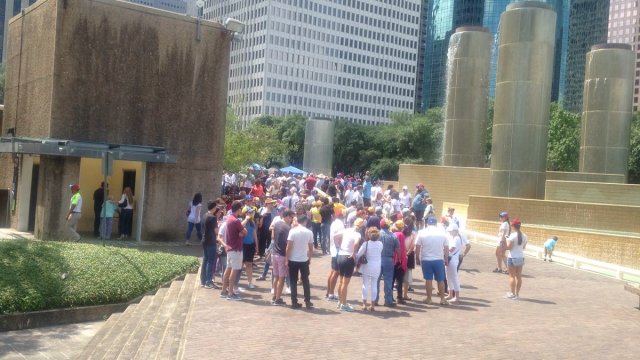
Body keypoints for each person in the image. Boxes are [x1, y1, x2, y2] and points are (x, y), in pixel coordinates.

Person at [415, 217, 449, 305]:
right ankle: (442, 299)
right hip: (439, 259)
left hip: (426, 259)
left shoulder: (422, 232)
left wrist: (417, 258)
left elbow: (417, 246)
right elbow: (446, 247)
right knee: (440, 279)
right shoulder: (442, 233)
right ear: (435, 224)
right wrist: (446, 259)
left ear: (427, 224)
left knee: (428, 279)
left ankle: (429, 298)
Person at [221, 201, 247, 301]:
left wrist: (241, 233)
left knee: (228, 269)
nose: (242, 210)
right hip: (235, 249)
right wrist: (241, 233)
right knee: (234, 271)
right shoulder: (235, 220)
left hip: (230, 248)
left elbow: (242, 232)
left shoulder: (229, 218)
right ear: (238, 209)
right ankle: (231, 293)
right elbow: (244, 232)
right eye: (241, 209)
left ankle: (224, 291)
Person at [335, 217, 363, 312]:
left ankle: (340, 301)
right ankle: (344, 303)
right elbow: (356, 243)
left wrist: (338, 245)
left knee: (341, 281)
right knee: (345, 283)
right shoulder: (357, 234)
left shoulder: (346, 230)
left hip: (341, 256)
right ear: (361, 226)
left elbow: (335, 236)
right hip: (348, 258)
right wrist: (354, 253)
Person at [286, 215, 314, 309]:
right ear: (305, 221)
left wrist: (286, 259)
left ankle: (294, 302)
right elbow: (310, 248)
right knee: (305, 280)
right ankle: (307, 301)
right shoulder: (309, 232)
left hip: (293, 259)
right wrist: (309, 258)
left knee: (293, 281)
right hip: (303, 259)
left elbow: (288, 247)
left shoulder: (292, 231)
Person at [271, 210, 294, 305]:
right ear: (287, 217)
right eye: (291, 217)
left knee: (276, 277)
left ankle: (274, 296)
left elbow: (272, 236)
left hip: (274, 253)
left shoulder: (276, 224)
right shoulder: (287, 228)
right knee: (281, 278)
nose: (292, 219)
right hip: (281, 254)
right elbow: (288, 244)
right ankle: (277, 298)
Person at [357, 227, 383, 311]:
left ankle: (364, 304)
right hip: (377, 266)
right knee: (374, 285)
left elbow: (358, 254)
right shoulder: (380, 244)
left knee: (365, 284)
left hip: (367, 266)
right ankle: (372, 305)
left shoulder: (366, 244)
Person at [376, 219, 400, 307]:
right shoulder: (393, 236)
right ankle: (388, 301)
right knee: (388, 281)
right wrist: (399, 259)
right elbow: (398, 249)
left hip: (378, 259)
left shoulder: (377, 234)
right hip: (389, 260)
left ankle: (375, 300)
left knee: (376, 281)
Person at [325, 207, 344, 301]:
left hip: (333, 248)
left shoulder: (334, 222)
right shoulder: (340, 224)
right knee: (336, 272)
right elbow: (338, 235)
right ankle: (331, 294)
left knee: (333, 271)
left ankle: (329, 292)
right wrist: (341, 245)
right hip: (337, 249)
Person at [506, 219, 528, 300]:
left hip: (512, 257)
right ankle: (517, 294)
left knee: (511, 276)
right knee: (519, 276)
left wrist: (506, 241)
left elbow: (509, 247)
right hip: (521, 257)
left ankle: (512, 293)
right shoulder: (525, 236)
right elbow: (524, 247)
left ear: (513, 226)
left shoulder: (512, 235)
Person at [201, 201, 220, 289]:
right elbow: (216, 231)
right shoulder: (213, 218)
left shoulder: (204, 215)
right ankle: (208, 282)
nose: (216, 208)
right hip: (211, 241)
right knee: (210, 261)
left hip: (204, 240)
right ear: (213, 207)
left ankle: (203, 281)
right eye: (216, 207)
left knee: (205, 260)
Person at [241, 206, 258, 289]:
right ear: (245, 213)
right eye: (249, 213)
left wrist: (257, 246)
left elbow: (255, 235)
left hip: (250, 245)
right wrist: (246, 219)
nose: (251, 214)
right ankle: (236, 283)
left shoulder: (252, 223)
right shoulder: (241, 221)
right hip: (242, 245)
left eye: (251, 213)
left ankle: (250, 282)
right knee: (240, 264)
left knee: (249, 264)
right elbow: (240, 226)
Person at [445, 223, 463, 303]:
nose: (449, 232)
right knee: (448, 277)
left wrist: (443, 250)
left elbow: (452, 249)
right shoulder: (453, 238)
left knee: (454, 278)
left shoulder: (456, 238)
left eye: (450, 231)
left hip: (453, 259)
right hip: (450, 259)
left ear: (454, 231)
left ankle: (457, 296)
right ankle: (450, 294)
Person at [392, 220, 408, 304]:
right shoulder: (401, 235)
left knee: (392, 279)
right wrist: (401, 260)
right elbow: (401, 249)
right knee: (399, 280)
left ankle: (389, 296)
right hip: (399, 260)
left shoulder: (392, 234)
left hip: (392, 260)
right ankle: (399, 297)